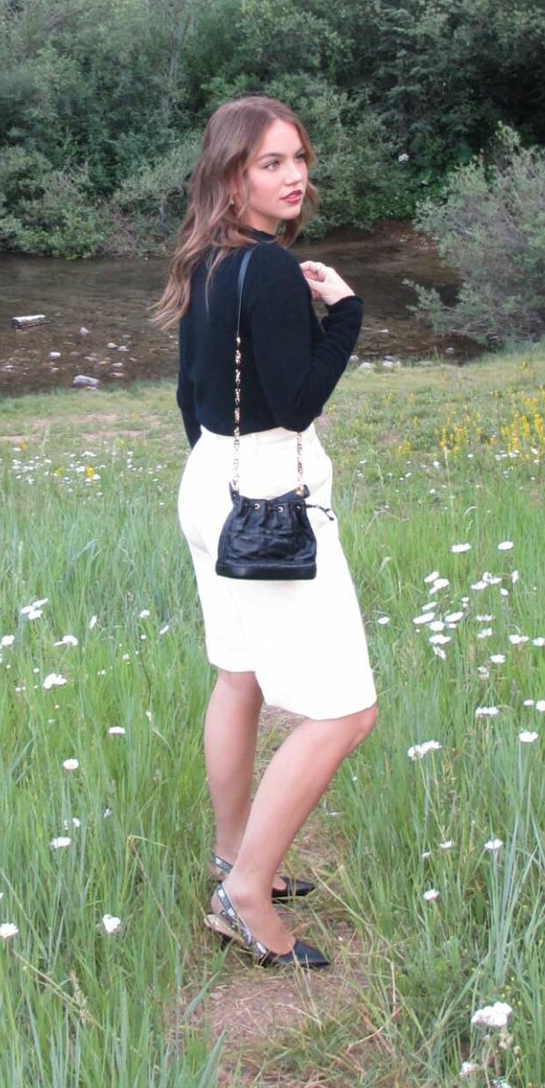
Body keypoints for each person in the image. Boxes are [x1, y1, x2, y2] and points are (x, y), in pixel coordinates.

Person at [155, 96, 378, 969]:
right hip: (269, 498)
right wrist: (345, 315)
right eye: (270, 163)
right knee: (344, 711)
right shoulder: (274, 271)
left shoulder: (204, 259)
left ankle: (233, 853)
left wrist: (224, 475)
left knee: (239, 675)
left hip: (210, 482)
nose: (293, 177)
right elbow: (294, 403)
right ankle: (244, 895)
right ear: (230, 175)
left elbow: (189, 392)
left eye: (298, 159)